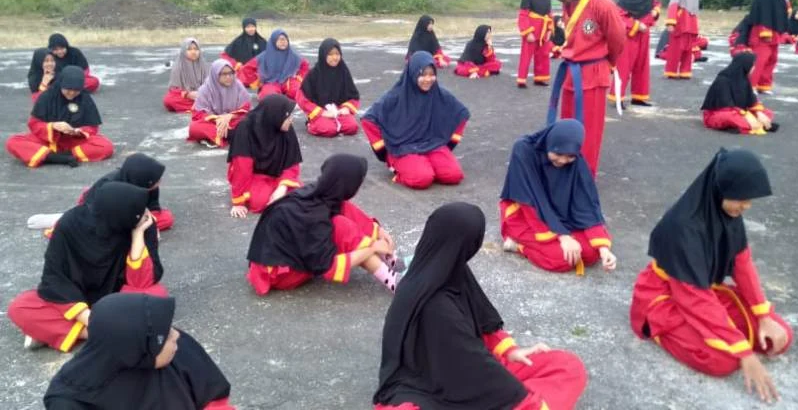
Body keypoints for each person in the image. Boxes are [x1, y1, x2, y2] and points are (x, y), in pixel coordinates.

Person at [373, 202, 588, 410]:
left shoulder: (450, 269)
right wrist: (528, 404)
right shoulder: (433, 304)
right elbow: (472, 365)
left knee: (568, 366)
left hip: (474, 372)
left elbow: (483, 321)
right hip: (427, 388)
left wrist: (510, 351)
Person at [630, 149, 793, 404]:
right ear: (721, 188)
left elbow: (743, 266)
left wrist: (762, 316)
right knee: (723, 360)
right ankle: (658, 330)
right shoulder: (682, 227)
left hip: (705, 290)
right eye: (742, 198)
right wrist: (744, 352)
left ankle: (734, 334)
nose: (746, 206)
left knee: (780, 334)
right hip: (666, 297)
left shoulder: (728, 214)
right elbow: (691, 298)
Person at [7, 182, 167, 353]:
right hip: (73, 300)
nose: (145, 213)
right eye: (140, 210)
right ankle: (97, 333)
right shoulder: (70, 224)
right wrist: (89, 319)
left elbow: (143, 280)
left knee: (156, 297)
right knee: (21, 307)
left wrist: (137, 236)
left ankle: (57, 333)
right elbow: (54, 279)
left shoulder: (140, 223)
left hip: (116, 298)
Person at [43, 293, 236, 410]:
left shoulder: (171, 347)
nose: (176, 335)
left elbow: (214, 399)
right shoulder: (69, 401)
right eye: (166, 336)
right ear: (139, 352)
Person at [246, 154, 399, 296]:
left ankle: (390, 260)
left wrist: (378, 231)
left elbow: (342, 207)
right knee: (342, 228)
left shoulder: (318, 192)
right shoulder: (313, 218)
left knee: (342, 208)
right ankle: (391, 280)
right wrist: (372, 247)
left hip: (286, 258)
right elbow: (329, 268)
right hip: (279, 274)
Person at [499, 120, 617, 276]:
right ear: (550, 143)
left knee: (591, 253)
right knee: (562, 259)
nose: (562, 160)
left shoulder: (577, 163)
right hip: (527, 215)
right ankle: (518, 245)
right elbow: (529, 199)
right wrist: (563, 236)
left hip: (562, 217)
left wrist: (603, 250)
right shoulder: (524, 149)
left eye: (570, 156)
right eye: (558, 153)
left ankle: (575, 244)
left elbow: (587, 204)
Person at [545, 0, 626, 177]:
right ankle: (566, 169)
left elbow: (617, 40)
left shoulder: (602, 4)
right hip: (572, 73)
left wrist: (608, 63)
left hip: (593, 72)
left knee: (588, 130)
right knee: (568, 127)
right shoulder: (570, 2)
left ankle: (584, 176)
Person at [363, 51, 470, 190]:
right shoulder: (395, 96)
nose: (428, 79)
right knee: (422, 178)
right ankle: (401, 169)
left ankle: (428, 163)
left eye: (432, 75)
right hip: (403, 148)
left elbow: (461, 114)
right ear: (413, 73)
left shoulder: (438, 93)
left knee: (453, 175)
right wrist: (385, 152)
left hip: (432, 144)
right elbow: (368, 120)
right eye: (422, 74)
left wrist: (448, 144)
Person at [6, 66, 114, 168]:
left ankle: (61, 155)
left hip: (73, 141)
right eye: (68, 89)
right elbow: (34, 124)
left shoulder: (85, 98)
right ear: (61, 83)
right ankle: (56, 158)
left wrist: (78, 131)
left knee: (106, 146)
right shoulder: (47, 96)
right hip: (47, 140)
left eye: (76, 90)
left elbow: (92, 127)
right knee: (13, 142)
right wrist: (53, 126)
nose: (71, 93)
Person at [228, 95, 302, 218]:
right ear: (275, 115)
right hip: (253, 176)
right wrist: (238, 202)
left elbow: (292, 163)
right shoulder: (246, 128)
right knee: (260, 202)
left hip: (279, 176)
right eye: (288, 116)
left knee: (298, 197)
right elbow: (242, 167)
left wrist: (282, 188)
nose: (291, 120)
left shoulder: (285, 128)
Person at [79, 153, 175, 232]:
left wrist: (148, 214)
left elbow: (153, 206)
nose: (159, 181)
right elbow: (107, 217)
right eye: (157, 180)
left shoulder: (143, 181)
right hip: (97, 211)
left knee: (164, 218)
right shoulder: (113, 188)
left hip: (128, 214)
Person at [613, 0, 661, 106]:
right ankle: (618, 97)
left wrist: (655, 13)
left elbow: (656, 5)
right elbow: (620, 16)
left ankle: (639, 96)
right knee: (624, 67)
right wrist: (636, 25)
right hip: (629, 37)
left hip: (644, 36)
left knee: (642, 66)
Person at [296, 38, 361, 137]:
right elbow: (301, 97)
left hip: (339, 110)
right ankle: (311, 124)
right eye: (330, 54)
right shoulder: (314, 74)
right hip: (320, 112)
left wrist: (346, 108)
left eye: (337, 54)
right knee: (328, 129)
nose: (334, 57)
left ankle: (336, 123)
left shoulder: (343, 71)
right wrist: (322, 112)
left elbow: (353, 95)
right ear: (323, 55)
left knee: (352, 127)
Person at [701, 53, 777, 135]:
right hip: (719, 113)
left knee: (766, 112)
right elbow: (726, 106)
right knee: (730, 117)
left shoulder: (744, 79)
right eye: (752, 65)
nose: (754, 68)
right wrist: (745, 115)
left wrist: (758, 112)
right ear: (745, 65)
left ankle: (751, 125)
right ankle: (755, 125)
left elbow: (751, 100)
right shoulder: (723, 80)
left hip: (739, 112)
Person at [747, 0, 791, 94]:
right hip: (763, 31)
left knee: (772, 58)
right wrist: (765, 30)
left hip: (774, 31)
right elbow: (763, 12)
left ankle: (764, 85)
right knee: (761, 59)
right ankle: (750, 85)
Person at [188, 59, 251, 148]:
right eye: (224, 74)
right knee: (194, 127)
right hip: (214, 123)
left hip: (234, 120)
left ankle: (221, 136)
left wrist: (229, 116)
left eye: (231, 73)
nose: (229, 77)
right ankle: (230, 135)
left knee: (249, 122)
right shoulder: (205, 89)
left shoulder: (238, 86)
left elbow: (246, 108)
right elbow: (199, 113)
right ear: (215, 75)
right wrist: (218, 119)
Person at [239, 29, 310, 100]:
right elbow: (247, 69)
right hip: (270, 82)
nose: (283, 42)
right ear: (273, 41)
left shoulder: (293, 55)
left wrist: (298, 78)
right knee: (269, 96)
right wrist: (258, 80)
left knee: (301, 93)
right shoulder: (264, 56)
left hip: (289, 81)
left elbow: (305, 66)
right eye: (279, 39)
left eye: (285, 39)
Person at [664, 0, 704, 79]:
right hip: (680, 23)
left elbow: (694, 9)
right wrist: (671, 23)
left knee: (688, 48)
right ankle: (671, 71)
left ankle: (685, 71)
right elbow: (673, 6)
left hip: (690, 24)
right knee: (676, 49)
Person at [517, 0, 554, 88]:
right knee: (526, 56)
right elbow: (523, 15)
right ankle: (522, 80)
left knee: (543, 55)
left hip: (543, 30)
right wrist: (528, 32)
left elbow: (549, 14)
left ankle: (540, 78)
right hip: (532, 30)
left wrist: (549, 30)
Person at [163, 37, 210, 113]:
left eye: (196, 49)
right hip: (185, 97)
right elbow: (174, 89)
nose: (193, 52)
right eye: (189, 49)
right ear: (184, 51)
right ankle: (202, 107)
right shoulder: (178, 66)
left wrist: (201, 93)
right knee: (169, 99)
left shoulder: (204, 66)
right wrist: (187, 94)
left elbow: (211, 85)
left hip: (201, 95)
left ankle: (201, 106)